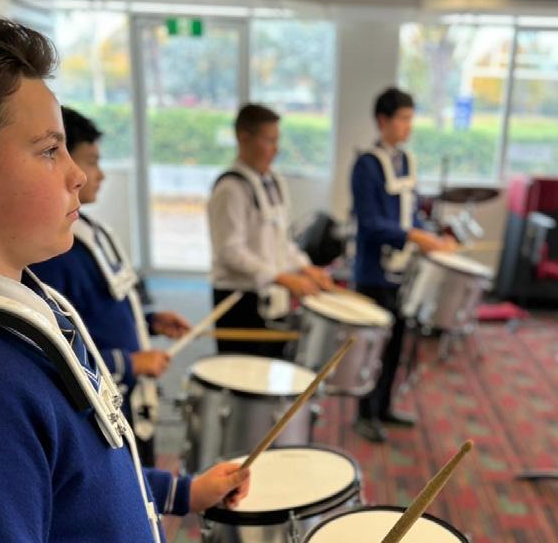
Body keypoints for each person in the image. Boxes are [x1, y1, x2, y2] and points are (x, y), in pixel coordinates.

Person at [0, 9, 317, 543]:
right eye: (49, 151)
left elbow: (76, 479)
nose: (77, 175)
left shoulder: (24, 299)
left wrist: (180, 491)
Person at [31, 106, 189, 467]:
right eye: (91, 162)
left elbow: (100, 308)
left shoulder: (90, 230)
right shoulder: (54, 254)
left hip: (131, 393)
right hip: (105, 400)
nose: (95, 175)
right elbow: (61, 349)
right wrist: (130, 363)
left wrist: (148, 321)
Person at [351, 87, 456, 443]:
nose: (409, 125)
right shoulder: (366, 165)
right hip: (373, 272)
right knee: (372, 347)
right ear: (383, 120)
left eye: (412, 118)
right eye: (403, 118)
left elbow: (410, 212)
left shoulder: (406, 161)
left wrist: (432, 237)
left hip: (403, 272)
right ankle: (364, 413)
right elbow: (369, 224)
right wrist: (414, 235)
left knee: (396, 344)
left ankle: (383, 407)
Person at [207, 103, 332, 357]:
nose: (276, 149)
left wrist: (304, 267)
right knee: (242, 375)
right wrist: (282, 277)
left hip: (272, 300)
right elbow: (230, 252)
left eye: (277, 140)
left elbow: (280, 241)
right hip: (239, 302)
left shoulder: (274, 182)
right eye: (269, 140)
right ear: (243, 138)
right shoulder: (230, 189)